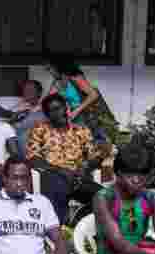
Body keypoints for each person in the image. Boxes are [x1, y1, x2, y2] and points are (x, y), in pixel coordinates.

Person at [26, 93, 104, 225]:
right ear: (47, 114)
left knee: (104, 197)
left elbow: (95, 157)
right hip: (52, 177)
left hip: (78, 178)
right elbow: (33, 158)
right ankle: (60, 229)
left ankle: (79, 221)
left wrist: (86, 167)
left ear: (66, 108)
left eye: (60, 108)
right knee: (57, 188)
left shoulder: (81, 130)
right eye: (52, 111)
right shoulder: (40, 130)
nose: (58, 113)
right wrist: (61, 171)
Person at [47, 55, 117, 144]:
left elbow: (94, 95)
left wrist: (76, 111)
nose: (49, 71)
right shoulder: (57, 83)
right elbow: (48, 99)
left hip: (85, 113)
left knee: (90, 140)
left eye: (50, 68)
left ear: (57, 67)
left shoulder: (75, 77)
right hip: (73, 114)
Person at [9, 79, 46, 157]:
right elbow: (10, 124)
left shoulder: (44, 107)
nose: (26, 92)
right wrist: (14, 118)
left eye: (30, 90)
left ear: (39, 93)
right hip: (16, 139)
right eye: (25, 90)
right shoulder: (18, 106)